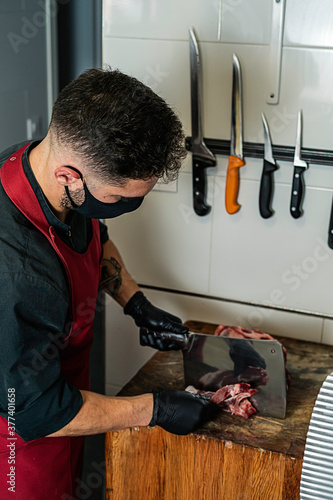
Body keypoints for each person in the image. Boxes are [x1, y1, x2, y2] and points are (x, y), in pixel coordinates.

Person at [0, 68, 216, 499]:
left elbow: (95, 239)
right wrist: (155, 409)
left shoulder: (40, 164)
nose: (128, 208)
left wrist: (135, 302)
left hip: (66, 408)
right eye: (119, 199)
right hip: (19, 450)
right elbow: (36, 411)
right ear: (69, 177)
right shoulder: (17, 275)